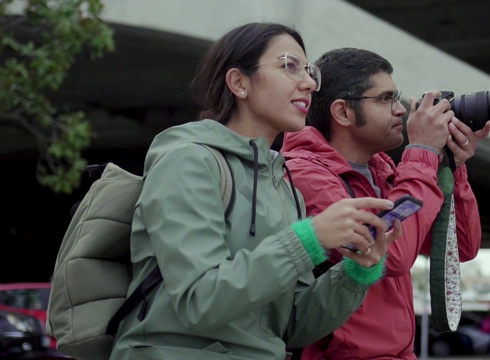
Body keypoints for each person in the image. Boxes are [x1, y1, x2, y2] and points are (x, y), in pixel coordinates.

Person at [108, 23, 403, 360]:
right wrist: (310, 238)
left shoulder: (282, 183)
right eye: (289, 66)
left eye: (309, 72)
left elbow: (293, 326)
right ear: (239, 83)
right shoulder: (189, 161)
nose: (308, 83)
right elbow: (199, 301)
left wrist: (356, 272)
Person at [281, 47, 490, 359]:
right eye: (385, 99)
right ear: (342, 113)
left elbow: (459, 247)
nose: (400, 110)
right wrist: (421, 153)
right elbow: (387, 255)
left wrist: (451, 168)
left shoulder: (384, 173)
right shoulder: (303, 173)